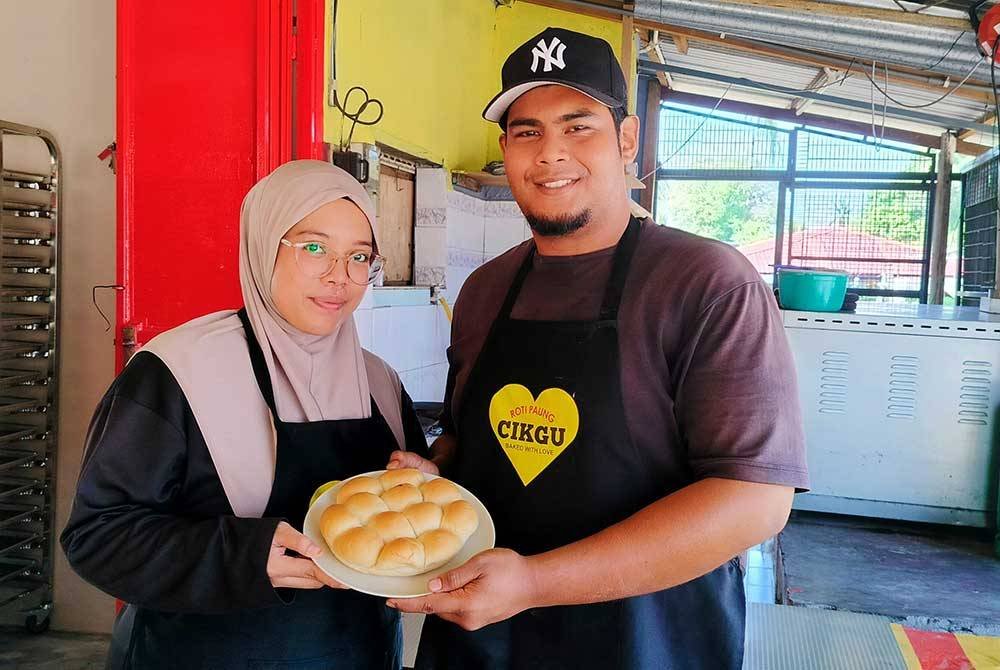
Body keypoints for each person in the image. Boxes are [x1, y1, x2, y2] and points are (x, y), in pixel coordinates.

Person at [386, 27, 809, 669]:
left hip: (649, 641)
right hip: (481, 638)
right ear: (506, 149)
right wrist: (435, 474)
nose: (550, 154)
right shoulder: (484, 290)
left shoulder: (706, 282)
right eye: (527, 131)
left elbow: (753, 500)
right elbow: (469, 441)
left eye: (577, 125)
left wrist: (534, 583)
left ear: (627, 140)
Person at [62, 160, 428, 669]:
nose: (339, 277)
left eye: (359, 256)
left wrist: (424, 483)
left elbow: (408, 517)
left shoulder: (379, 380)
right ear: (262, 245)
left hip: (358, 651)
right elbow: (98, 536)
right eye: (314, 248)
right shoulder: (177, 371)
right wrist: (245, 555)